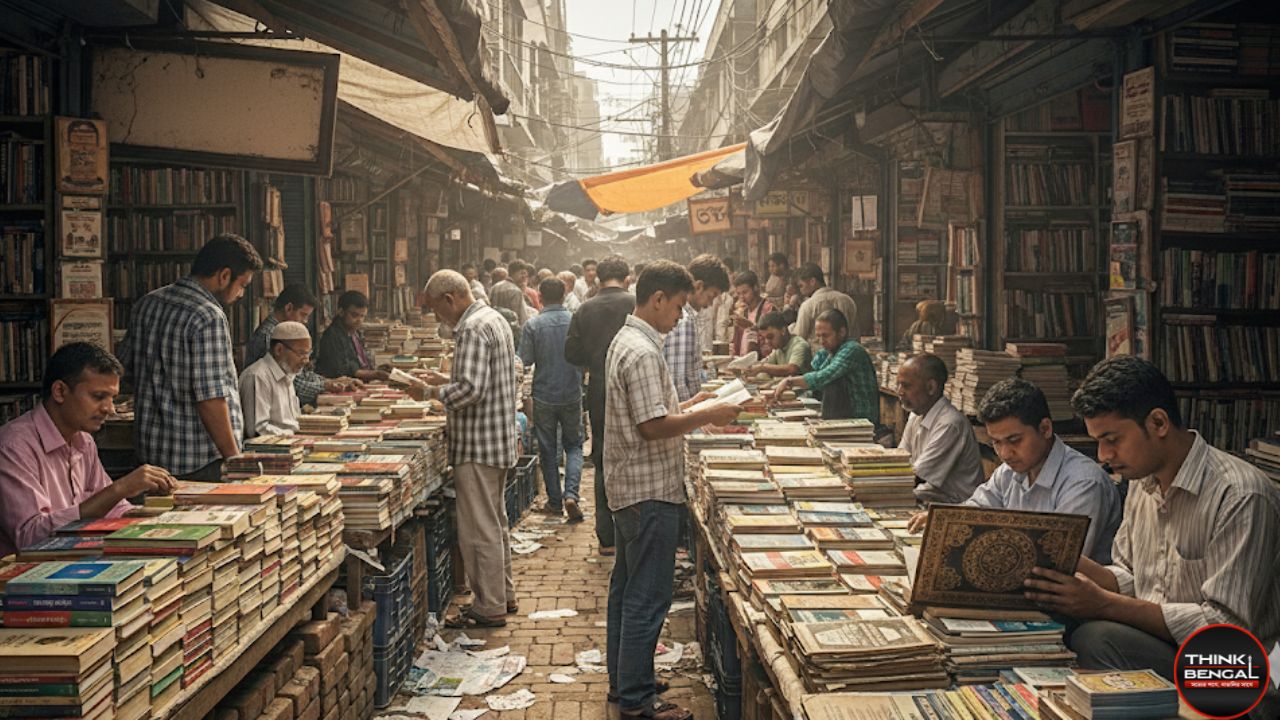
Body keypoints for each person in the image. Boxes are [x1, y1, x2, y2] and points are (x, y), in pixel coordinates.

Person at [1023, 357, 1280, 710]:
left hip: (1226, 668)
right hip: (1161, 643)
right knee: (1053, 614)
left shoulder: (1240, 495)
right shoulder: (1142, 484)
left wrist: (1103, 603)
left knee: (1096, 637)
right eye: (1098, 441)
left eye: (1112, 439)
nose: (1103, 455)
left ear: (1158, 422)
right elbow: (1131, 576)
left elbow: (1225, 626)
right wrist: (1065, 561)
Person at [605, 261, 740, 720]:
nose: (682, 316)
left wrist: (694, 403)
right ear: (658, 298)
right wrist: (708, 416)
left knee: (627, 590)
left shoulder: (632, 341)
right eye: (679, 306)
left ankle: (624, 681)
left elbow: (654, 410)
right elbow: (651, 425)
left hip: (632, 486)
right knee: (647, 596)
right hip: (649, 490)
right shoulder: (642, 351)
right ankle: (638, 701)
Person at [908, 378, 1122, 564]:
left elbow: (1058, 560)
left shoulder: (1083, 483)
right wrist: (946, 520)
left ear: (1045, 429)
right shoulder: (1008, 472)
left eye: (1014, 440)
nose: (1005, 453)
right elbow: (976, 511)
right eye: (996, 443)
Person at [0, 343, 177, 557]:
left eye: (112, 398)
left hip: (76, 559)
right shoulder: (14, 447)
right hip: (26, 575)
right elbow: (31, 537)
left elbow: (112, 507)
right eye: (98, 396)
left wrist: (156, 516)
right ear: (60, 391)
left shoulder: (83, 440)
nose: (109, 409)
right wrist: (119, 488)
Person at [419, 270, 519, 629]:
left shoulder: (472, 328)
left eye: (436, 309)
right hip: (496, 439)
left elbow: (472, 390)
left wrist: (431, 394)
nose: (438, 318)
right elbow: (482, 379)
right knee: (495, 523)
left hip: (477, 443)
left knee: (478, 530)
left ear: (450, 299)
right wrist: (446, 381)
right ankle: (503, 595)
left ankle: (488, 606)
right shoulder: (493, 319)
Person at [121, 233, 261, 480]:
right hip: (197, 460)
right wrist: (234, 458)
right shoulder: (208, 316)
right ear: (224, 275)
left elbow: (126, 370)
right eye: (243, 286)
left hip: (149, 460)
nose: (241, 295)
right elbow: (211, 398)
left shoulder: (147, 304)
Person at [565, 256, 634, 554]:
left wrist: (593, 362)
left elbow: (571, 352)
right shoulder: (635, 303)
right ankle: (632, 533)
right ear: (627, 277)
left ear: (597, 279)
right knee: (635, 454)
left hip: (599, 388)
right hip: (634, 387)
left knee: (604, 457)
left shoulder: (585, 308)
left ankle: (606, 536)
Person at [518, 278, 585, 522]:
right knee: (574, 445)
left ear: (541, 297)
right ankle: (572, 495)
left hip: (544, 394)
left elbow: (523, 360)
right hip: (572, 391)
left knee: (547, 449)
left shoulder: (533, 325)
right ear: (565, 293)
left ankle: (555, 501)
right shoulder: (575, 321)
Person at [245, 284, 357, 407]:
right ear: (289, 308)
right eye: (303, 315)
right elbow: (290, 382)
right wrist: (325, 385)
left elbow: (300, 374)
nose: (305, 321)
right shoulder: (270, 336)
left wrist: (327, 381)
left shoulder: (283, 334)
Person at [897, 353, 984, 504]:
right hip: (928, 498)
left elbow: (916, 477)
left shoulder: (950, 423)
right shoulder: (916, 415)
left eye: (907, 386)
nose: (900, 392)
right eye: (898, 385)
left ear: (931, 387)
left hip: (954, 506)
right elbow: (899, 460)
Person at [774, 310, 878, 423]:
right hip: (843, 417)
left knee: (830, 383)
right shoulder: (827, 352)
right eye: (818, 336)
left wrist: (789, 382)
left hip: (861, 420)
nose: (821, 341)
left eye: (826, 335)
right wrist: (780, 392)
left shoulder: (852, 350)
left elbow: (822, 377)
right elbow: (811, 376)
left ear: (842, 332)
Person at [662, 254, 730, 402]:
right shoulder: (683, 319)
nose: (710, 304)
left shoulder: (684, 315)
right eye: (711, 296)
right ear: (698, 286)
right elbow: (678, 379)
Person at [239, 321, 312, 438]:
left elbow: (293, 421)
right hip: (271, 449)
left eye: (308, 354)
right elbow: (257, 430)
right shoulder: (258, 376)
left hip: (293, 443)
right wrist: (294, 436)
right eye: (301, 353)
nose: (306, 360)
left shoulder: (287, 371)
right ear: (279, 350)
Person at [315, 291, 388, 382]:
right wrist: (375, 374)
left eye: (362, 316)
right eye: (355, 315)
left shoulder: (354, 332)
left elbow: (360, 362)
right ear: (341, 312)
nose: (359, 320)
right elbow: (342, 370)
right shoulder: (332, 336)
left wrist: (378, 369)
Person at [792, 263, 859, 349]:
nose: (801, 290)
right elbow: (856, 334)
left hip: (818, 357)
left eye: (801, 286)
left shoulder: (808, 305)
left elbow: (799, 339)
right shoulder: (847, 299)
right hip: (848, 354)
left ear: (812, 281)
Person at [750, 311, 811, 377]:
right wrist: (749, 368)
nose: (767, 342)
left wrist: (762, 368)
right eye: (764, 338)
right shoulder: (778, 348)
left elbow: (792, 369)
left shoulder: (800, 345)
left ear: (783, 330)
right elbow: (765, 363)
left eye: (770, 337)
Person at [729, 270, 774, 357]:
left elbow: (772, 340)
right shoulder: (742, 312)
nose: (742, 297)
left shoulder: (769, 309)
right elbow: (736, 342)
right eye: (739, 294)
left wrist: (751, 327)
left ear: (755, 288)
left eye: (745, 292)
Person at [488, 261, 529, 328]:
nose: (524, 277)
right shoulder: (516, 291)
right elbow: (521, 319)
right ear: (513, 273)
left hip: (495, 327)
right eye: (522, 273)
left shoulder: (494, 287)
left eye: (526, 274)